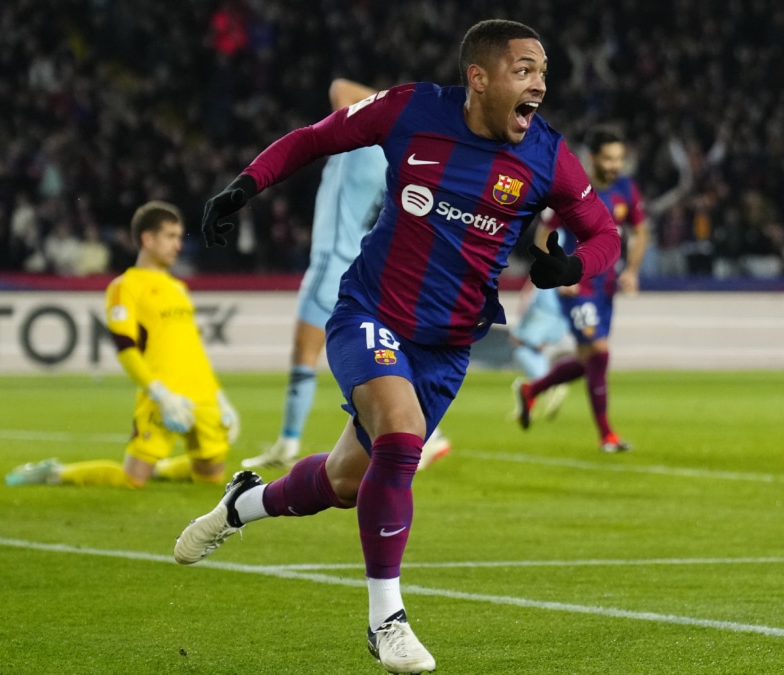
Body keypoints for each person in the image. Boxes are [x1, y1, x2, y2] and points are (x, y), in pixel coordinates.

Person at [173, 19, 620, 675]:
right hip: (369, 312)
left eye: (544, 72)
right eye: (525, 69)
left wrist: (570, 268)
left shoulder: (548, 156)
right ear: (480, 77)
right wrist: (247, 183)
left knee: (344, 481)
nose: (540, 85)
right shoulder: (412, 110)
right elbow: (315, 138)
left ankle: (242, 501)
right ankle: (387, 620)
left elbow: (604, 234)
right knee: (403, 434)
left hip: (447, 347)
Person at [241, 78, 451, 473]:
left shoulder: (365, 145)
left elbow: (339, 87)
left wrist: (390, 103)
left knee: (311, 354)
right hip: (357, 261)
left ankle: (290, 442)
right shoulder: (394, 156)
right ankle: (424, 432)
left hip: (331, 260)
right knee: (379, 352)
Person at [5, 201, 239, 488]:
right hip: (163, 396)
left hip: (203, 396)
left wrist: (219, 395)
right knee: (131, 479)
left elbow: (193, 349)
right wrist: (159, 394)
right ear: (147, 239)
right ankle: (55, 473)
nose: (178, 245)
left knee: (212, 478)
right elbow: (125, 348)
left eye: (179, 237)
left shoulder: (179, 288)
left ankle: (160, 470)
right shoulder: (124, 287)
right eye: (170, 236)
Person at [513, 126, 648, 453]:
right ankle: (607, 436)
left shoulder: (626, 190)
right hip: (578, 285)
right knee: (600, 353)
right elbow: (543, 234)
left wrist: (631, 270)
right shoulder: (573, 190)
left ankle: (531, 391)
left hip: (607, 287)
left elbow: (641, 231)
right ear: (592, 158)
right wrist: (558, 274)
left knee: (589, 358)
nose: (615, 165)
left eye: (619, 159)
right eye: (609, 159)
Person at [506, 276, 572, 422]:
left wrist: (521, 329)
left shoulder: (545, 284)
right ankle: (538, 392)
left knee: (522, 351)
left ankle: (548, 385)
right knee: (530, 355)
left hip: (544, 321)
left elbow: (529, 298)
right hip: (555, 323)